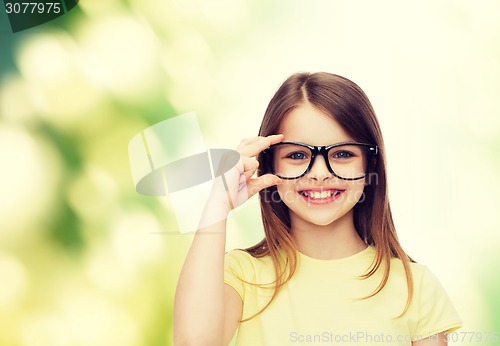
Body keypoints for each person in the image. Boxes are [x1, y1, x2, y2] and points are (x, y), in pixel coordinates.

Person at [173, 72, 462, 346]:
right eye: (298, 155)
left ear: (370, 164)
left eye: (342, 154)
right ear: (270, 164)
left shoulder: (416, 286)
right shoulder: (241, 274)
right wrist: (217, 204)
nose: (320, 173)